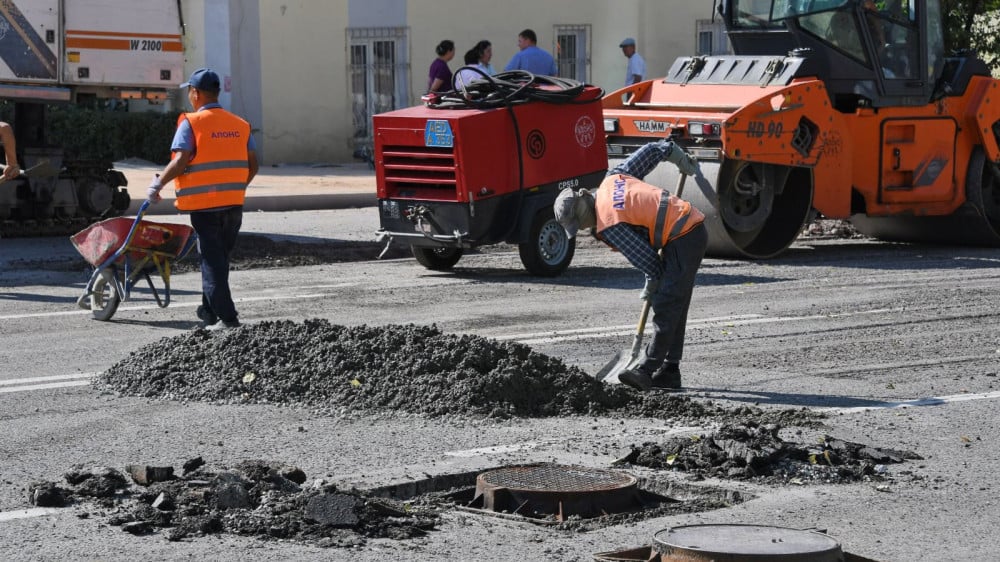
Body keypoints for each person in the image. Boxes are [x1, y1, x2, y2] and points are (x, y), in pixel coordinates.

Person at [554, 140, 705, 391]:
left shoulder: (609, 223)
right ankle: (670, 370)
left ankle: (645, 370)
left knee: (667, 303)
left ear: (583, 206)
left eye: (578, 223)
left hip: (683, 235)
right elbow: (652, 151)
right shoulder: (612, 179)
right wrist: (675, 154)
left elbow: (650, 264)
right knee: (675, 301)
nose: (582, 229)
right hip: (687, 228)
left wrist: (653, 285)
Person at [145, 68, 259, 331]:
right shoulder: (239, 124)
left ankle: (228, 319)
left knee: (212, 263)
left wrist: (157, 184)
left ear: (195, 93)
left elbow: (180, 160)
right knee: (220, 261)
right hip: (233, 205)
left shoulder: (192, 123)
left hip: (205, 208)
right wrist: (238, 187)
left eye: (190, 92)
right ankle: (209, 311)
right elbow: (254, 164)